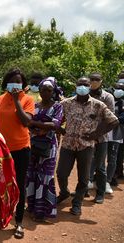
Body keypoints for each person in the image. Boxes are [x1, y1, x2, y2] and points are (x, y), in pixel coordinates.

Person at [56, 77, 118, 216]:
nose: (82, 87)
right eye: (80, 84)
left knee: (83, 178)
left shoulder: (98, 105)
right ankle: (64, 192)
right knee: (61, 173)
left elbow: (113, 121)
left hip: (86, 146)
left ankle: (77, 203)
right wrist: (60, 129)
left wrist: (97, 133)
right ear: (75, 86)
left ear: (90, 87)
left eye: (85, 85)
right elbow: (56, 118)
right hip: (68, 145)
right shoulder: (66, 103)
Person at [0, 68, 35, 239]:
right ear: (6, 83)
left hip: (21, 149)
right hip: (3, 150)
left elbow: (26, 121)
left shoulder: (28, 100)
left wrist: (17, 100)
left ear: (23, 85)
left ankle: (18, 222)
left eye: (18, 81)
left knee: (19, 185)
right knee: (2, 185)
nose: (15, 84)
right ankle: (3, 218)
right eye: (12, 81)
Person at [26, 77, 63, 222]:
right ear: (39, 90)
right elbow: (26, 122)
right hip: (33, 144)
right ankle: (31, 207)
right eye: (43, 90)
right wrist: (40, 127)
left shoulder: (58, 107)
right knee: (32, 175)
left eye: (49, 90)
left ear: (53, 91)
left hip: (49, 147)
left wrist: (34, 124)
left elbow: (55, 124)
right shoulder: (34, 105)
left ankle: (42, 212)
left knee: (45, 177)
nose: (46, 92)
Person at [87, 72, 115, 203]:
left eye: (96, 79)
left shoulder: (108, 97)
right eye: (91, 79)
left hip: (101, 137)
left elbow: (110, 119)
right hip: (85, 136)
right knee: (85, 165)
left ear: (101, 81)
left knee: (100, 166)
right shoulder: (84, 95)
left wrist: (97, 133)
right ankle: (83, 190)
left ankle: (100, 193)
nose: (94, 81)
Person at [107, 75, 124, 190]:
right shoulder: (109, 99)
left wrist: (115, 120)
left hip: (117, 133)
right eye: (117, 87)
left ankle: (111, 178)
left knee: (114, 156)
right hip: (104, 132)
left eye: (121, 88)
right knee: (98, 156)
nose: (118, 90)